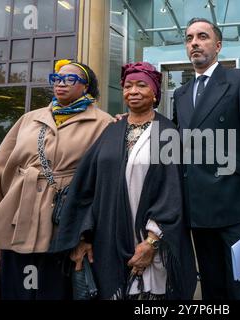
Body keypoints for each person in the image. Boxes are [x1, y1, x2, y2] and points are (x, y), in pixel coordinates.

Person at [0, 60, 113, 299]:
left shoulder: (103, 122)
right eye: (57, 79)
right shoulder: (30, 118)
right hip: (19, 215)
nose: (61, 84)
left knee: (52, 287)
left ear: (86, 87)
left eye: (70, 79)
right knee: (16, 284)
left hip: (63, 221)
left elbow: (102, 180)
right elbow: (4, 165)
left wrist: (88, 233)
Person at [49, 62, 198, 300]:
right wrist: (84, 236)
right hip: (108, 241)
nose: (134, 91)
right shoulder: (111, 130)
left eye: (142, 85)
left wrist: (151, 242)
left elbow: (173, 192)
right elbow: (89, 186)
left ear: (155, 93)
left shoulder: (168, 132)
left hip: (153, 242)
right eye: (128, 86)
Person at [172, 17, 240, 300]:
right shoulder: (181, 93)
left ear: (218, 45)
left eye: (202, 36)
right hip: (197, 211)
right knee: (212, 288)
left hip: (236, 209)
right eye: (189, 38)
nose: (194, 43)